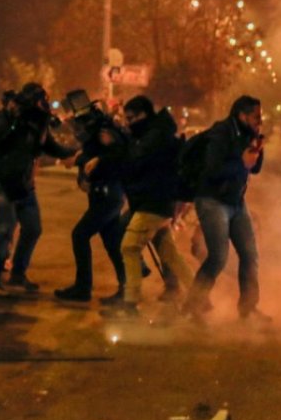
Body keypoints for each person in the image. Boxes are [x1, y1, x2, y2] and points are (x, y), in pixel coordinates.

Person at [0, 82, 75, 296]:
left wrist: (76, 153)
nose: (46, 105)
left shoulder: (39, 123)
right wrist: (11, 118)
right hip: (1, 182)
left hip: (24, 184)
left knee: (32, 228)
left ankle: (18, 275)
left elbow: (50, 146)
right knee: (4, 230)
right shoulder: (7, 117)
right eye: (43, 101)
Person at [101, 95, 191, 316]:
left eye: (131, 118)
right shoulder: (156, 133)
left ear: (143, 114)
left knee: (129, 248)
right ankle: (200, 297)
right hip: (157, 201)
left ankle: (130, 303)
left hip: (153, 202)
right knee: (170, 254)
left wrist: (116, 145)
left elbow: (134, 162)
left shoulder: (155, 137)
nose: (129, 123)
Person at [181, 94, 266, 321]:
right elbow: (213, 169)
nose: (260, 120)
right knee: (218, 256)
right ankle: (193, 304)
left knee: (250, 255)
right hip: (212, 200)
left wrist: (257, 150)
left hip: (236, 202)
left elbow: (254, 169)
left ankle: (248, 309)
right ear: (242, 115)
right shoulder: (221, 133)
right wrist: (242, 162)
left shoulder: (249, 134)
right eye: (256, 116)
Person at [54, 90, 128, 303]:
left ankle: (83, 287)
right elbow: (91, 153)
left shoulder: (103, 129)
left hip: (109, 193)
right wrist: (81, 164)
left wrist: (90, 160)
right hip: (104, 193)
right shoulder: (96, 129)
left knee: (80, 235)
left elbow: (119, 154)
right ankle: (127, 288)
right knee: (112, 242)